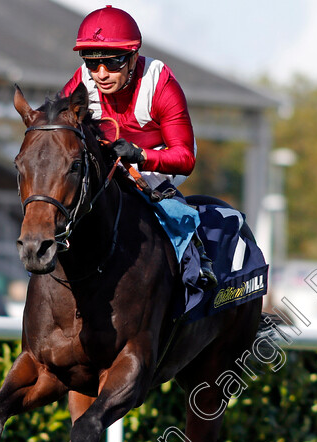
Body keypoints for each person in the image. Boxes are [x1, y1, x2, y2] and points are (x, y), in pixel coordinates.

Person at [59, 5, 216, 289]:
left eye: (113, 62)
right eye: (93, 63)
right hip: (106, 158)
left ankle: (197, 264)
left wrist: (140, 156)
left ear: (133, 58)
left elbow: (184, 158)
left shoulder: (160, 82)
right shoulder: (81, 81)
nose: (102, 73)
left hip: (159, 159)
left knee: (169, 207)